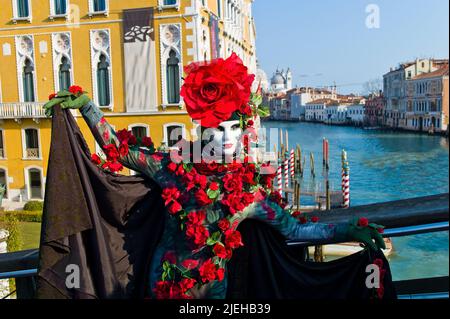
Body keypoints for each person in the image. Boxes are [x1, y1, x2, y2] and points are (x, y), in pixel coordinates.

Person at [43, 53, 385, 300]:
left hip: (214, 292)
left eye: (234, 129)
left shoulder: (249, 193)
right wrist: (88, 106)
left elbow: (296, 229)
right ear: (204, 129)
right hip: (162, 284)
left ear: (243, 132)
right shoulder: (172, 170)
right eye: (218, 129)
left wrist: (348, 228)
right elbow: (120, 150)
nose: (226, 138)